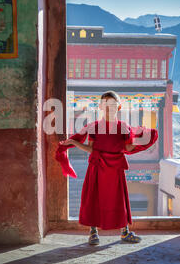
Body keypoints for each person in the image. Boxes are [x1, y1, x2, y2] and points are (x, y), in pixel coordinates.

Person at [56, 90, 158, 245]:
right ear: (100, 107)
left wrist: (143, 135)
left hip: (115, 168)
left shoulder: (124, 127)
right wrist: (74, 143)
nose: (109, 107)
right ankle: (93, 232)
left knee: (119, 200)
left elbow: (128, 148)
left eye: (112, 104)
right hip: (97, 167)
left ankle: (124, 232)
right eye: (105, 104)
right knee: (94, 198)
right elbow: (91, 149)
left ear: (119, 107)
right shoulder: (94, 127)